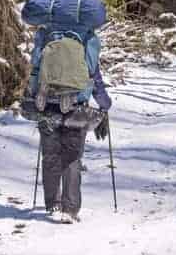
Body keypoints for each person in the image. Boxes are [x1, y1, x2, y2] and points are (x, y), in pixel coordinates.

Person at [26, 21, 112, 223]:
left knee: (50, 156)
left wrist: (33, 94)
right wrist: (105, 104)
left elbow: (35, 69)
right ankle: (70, 209)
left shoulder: (47, 33)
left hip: (47, 104)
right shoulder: (86, 39)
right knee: (72, 158)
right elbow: (93, 76)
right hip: (76, 108)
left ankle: (52, 204)